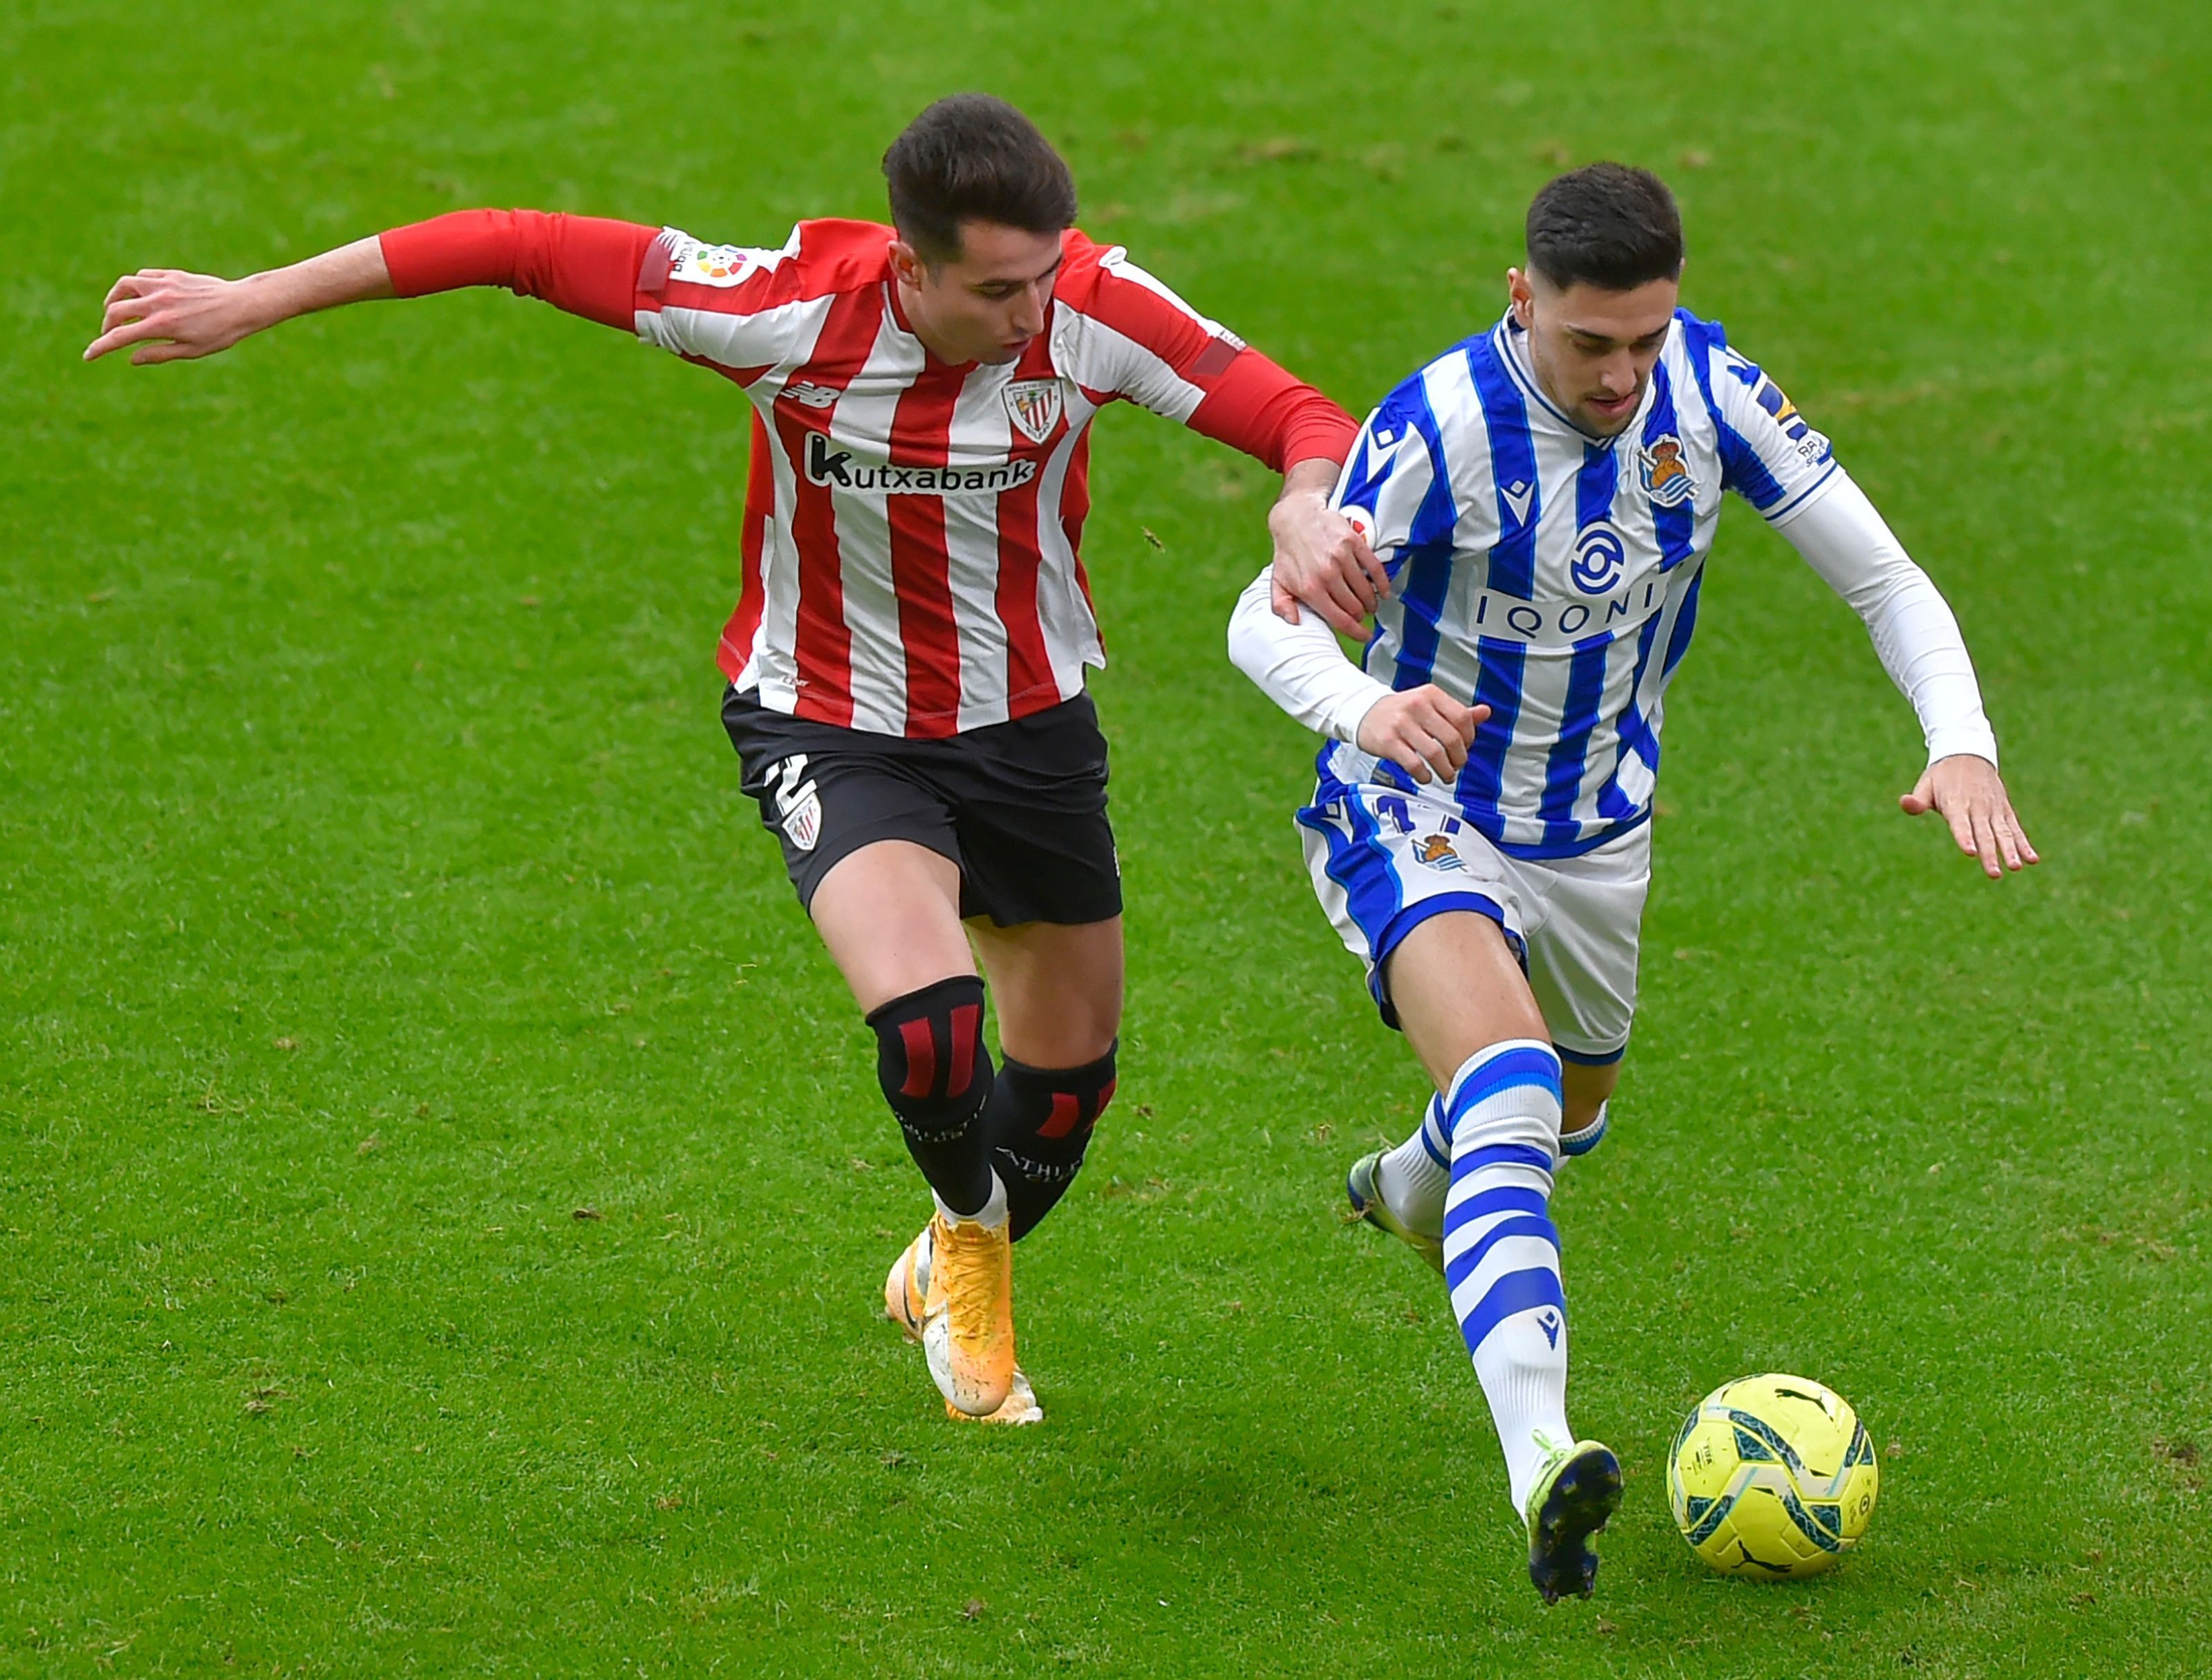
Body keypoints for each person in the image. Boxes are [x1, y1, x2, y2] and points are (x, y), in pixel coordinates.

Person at [87, 93, 1376, 1427]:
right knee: (931, 1029)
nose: (1027, 313)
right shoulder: (790, 313)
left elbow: (1298, 415)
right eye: (997, 290)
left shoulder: (1088, 307)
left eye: (1043, 277)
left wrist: (1297, 502)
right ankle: (970, 1246)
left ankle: (947, 1255)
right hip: (831, 719)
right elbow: (515, 241)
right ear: (910, 263)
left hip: (1031, 733)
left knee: (1066, 1089)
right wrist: (259, 297)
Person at [1232, 162, 2036, 1599]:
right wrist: (1363, 710)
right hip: (1411, 805)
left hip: (1600, 836)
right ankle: (1543, 1456)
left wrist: (1959, 743)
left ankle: (1408, 1193)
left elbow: (1884, 579)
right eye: (1586, 342)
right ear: (1520, 298)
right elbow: (1262, 617)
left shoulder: (1708, 389)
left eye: (1642, 341)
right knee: (1515, 1090)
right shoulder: (1438, 429)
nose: (1618, 375)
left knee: (1565, 1121)